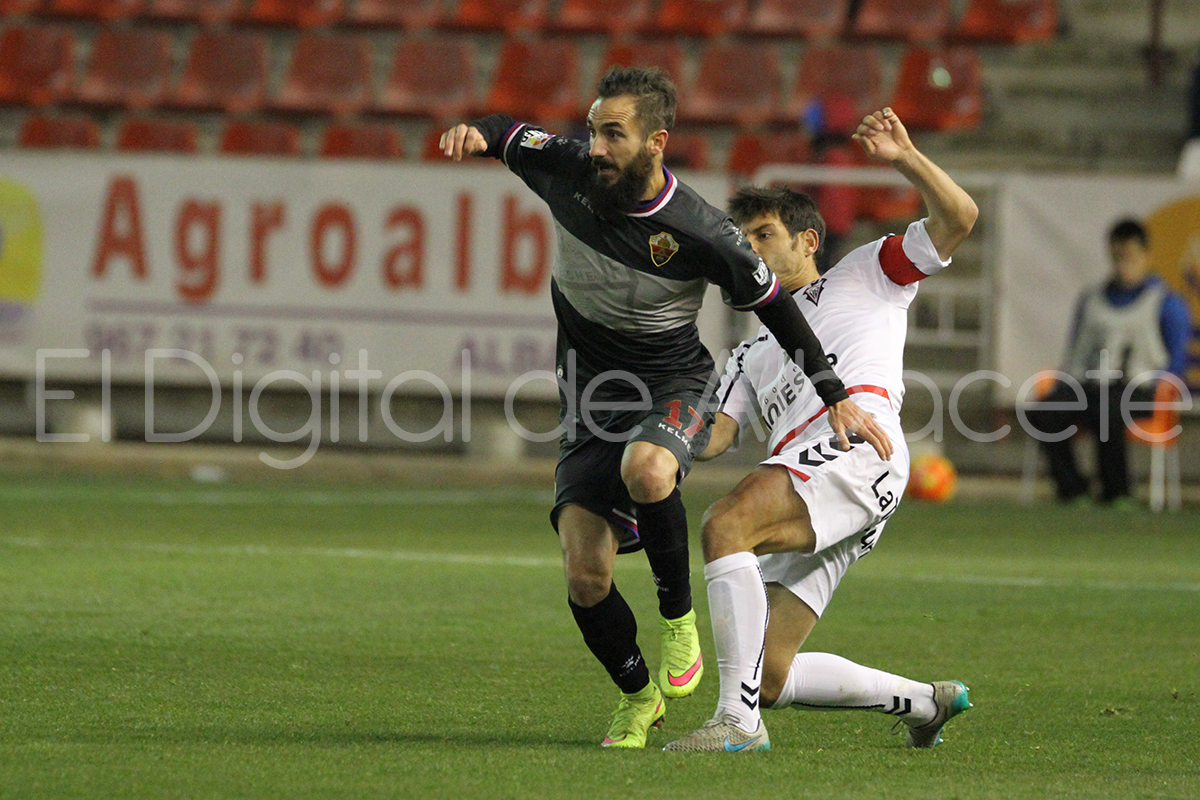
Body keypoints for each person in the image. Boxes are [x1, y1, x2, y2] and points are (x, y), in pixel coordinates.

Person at [438, 67, 891, 748]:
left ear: (656, 142)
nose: (596, 146)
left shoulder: (703, 231)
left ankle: (678, 619)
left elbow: (778, 311)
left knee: (648, 471)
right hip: (590, 396)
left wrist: (835, 395)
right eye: (593, 129)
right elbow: (507, 134)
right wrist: (477, 132)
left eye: (613, 134)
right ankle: (638, 698)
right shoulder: (565, 169)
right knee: (585, 576)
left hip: (671, 383)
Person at [663, 108, 978, 752]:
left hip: (857, 449)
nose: (750, 250)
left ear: (808, 241)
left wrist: (905, 159)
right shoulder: (750, 351)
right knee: (770, 672)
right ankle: (926, 703)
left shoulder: (867, 272)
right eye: (743, 240)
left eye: (765, 235)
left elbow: (960, 218)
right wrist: (658, 436)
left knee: (726, 524)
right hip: (812, 479)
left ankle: (736, 725)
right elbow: (716, 437)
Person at [1025, 218, 1191, 506]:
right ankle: (1074, 490)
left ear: (1147, 256)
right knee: (1044, 412)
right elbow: (1075, 351)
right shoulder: (1091, 299)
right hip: (1090, 383)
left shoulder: (1166, 302)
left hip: (1139, 388)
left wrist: (1159, 385)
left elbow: (1175, 361)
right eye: (1116, 257)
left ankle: (1117, 492)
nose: (1122, 265)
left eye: (1129, 257)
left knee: (1108, 409)